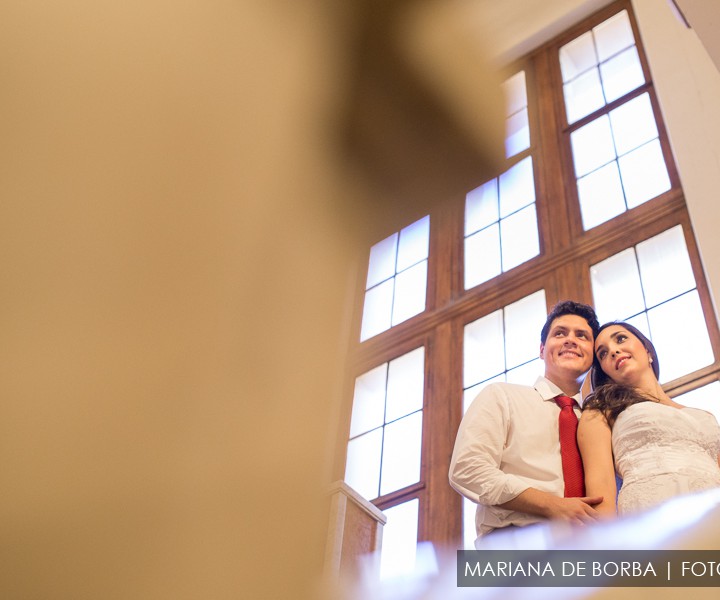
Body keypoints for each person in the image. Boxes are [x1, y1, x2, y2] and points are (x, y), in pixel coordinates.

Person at [449, 300, 603, 543]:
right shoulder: (502, 396)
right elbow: (467, 469)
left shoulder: (597, 423)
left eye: (582, 335)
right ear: (542, 349)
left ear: (593, 355)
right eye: (560, 333)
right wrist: (553, 505)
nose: (570, 340)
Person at [578, 322, 720, 516]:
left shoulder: (705, 416)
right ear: (606, 374)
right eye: (603, 353)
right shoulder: (600, 410)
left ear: (647, 351)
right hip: (653, 515)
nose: (613, 351)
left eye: (620, 339)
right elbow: (601, 493)